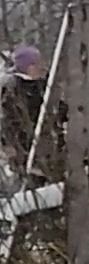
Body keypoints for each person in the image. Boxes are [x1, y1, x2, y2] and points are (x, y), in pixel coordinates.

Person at [0, 44, 47, 176]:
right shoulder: (14, 87)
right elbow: (8, 119)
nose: (41, 66)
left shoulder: (40, 84)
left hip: (39, 144)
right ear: (29, 66)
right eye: (37, 63)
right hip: (23, 145)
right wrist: (10, 144)